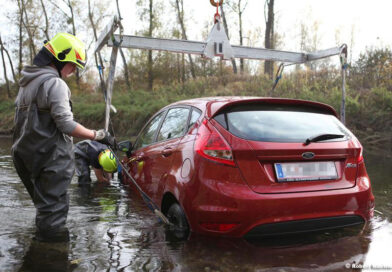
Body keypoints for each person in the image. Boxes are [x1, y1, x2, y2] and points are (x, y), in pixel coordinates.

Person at [11, 33, 116, 242]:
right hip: (50, 161)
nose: (72, 72)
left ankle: (38, 253)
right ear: (59, 59)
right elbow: (66, 125)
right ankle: (53, 257)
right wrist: (98, 135)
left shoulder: (26, 85)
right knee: (54, 220)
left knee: (45, 212)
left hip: (25, 159)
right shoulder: (55, 84)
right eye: (72, 65)